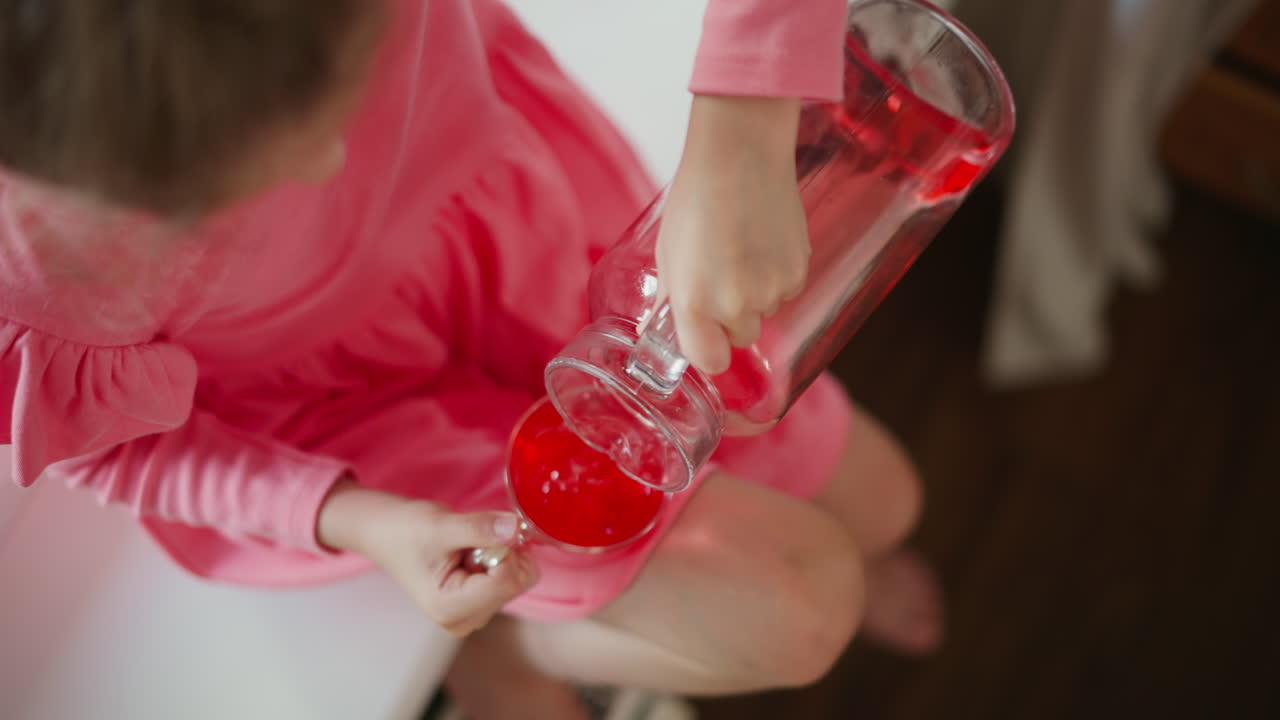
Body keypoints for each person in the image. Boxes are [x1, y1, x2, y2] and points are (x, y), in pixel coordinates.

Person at [0, 1, 940, 718]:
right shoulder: (29, 268)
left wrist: (742, 126)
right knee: (803, 610)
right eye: (222, 193)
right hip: (341, 417)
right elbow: (118, 451)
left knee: (887, 501)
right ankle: (506, 652)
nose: (329, 164)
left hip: (522, 232)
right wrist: (360, 521)